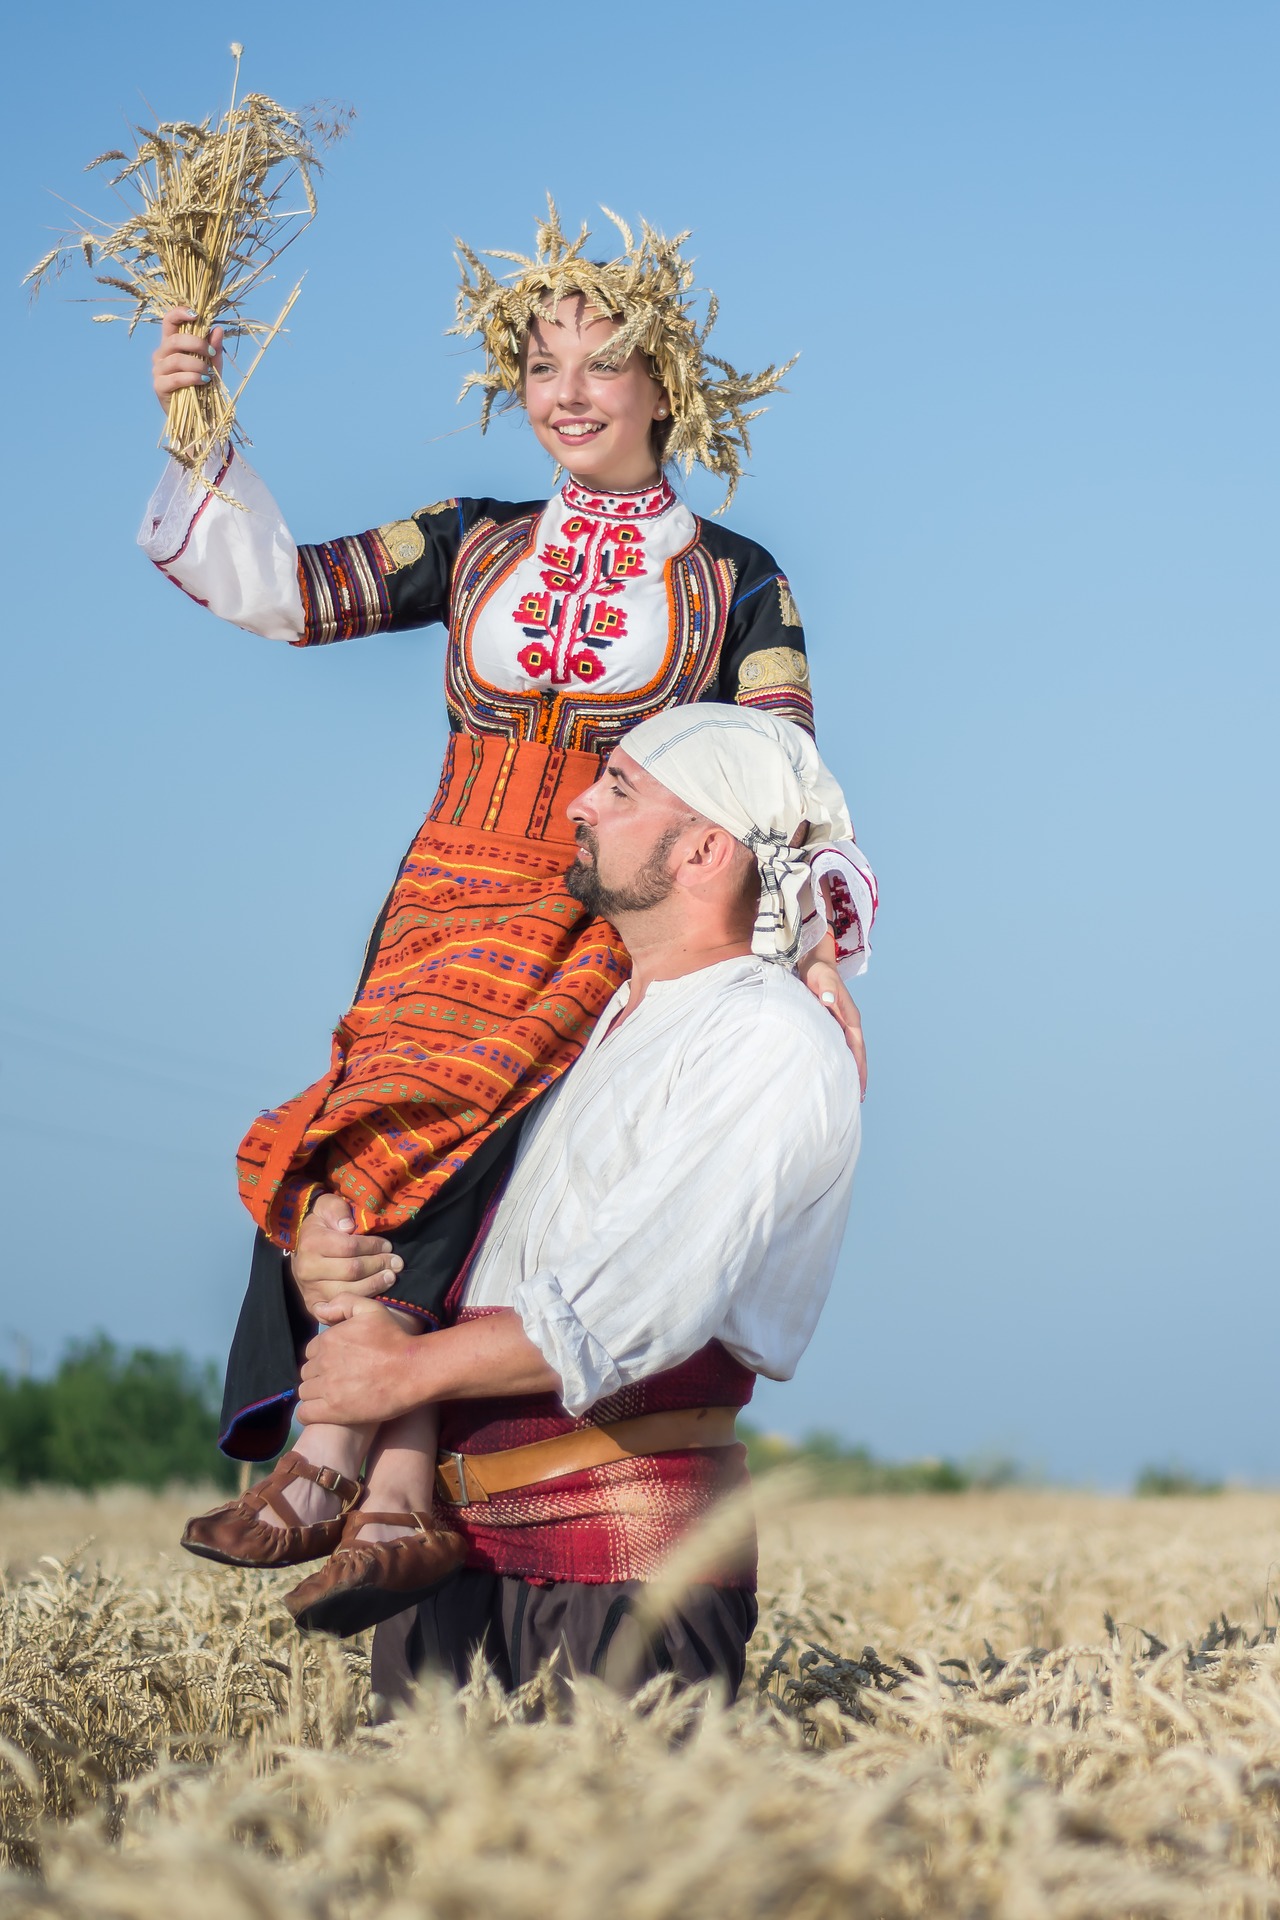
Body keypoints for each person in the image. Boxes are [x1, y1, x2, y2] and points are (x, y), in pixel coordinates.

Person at [148, 205, 874, 1594]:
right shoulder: (475, 541)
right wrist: (195, 425)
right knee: (363, 1133)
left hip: (591, 901)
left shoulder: (735, 581)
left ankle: (343, 1464)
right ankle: (380, 1485)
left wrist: (809, 945)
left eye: (603, 364)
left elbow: (781, 765)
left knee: (476, 1146)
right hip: (441, 889)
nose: (570, 393)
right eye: (544, 367)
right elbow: (288, 594)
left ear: (668, 386)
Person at [285, 705, 866, 1697]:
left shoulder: (764, 1038)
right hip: (447, 1561)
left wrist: (398, 1376)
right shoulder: (584, 1020)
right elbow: (454, 1222)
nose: (578, 803)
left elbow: (636, 1305)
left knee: (616, 1852)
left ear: (704, 850)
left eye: (620, 789)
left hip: (623, 1578)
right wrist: (329, 1246)